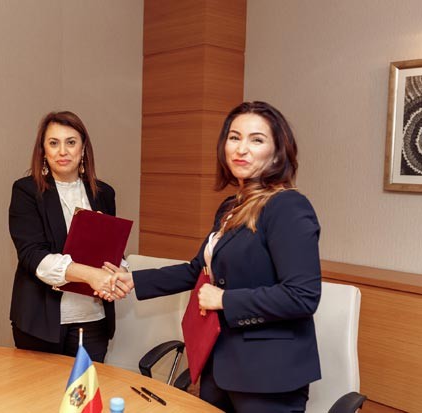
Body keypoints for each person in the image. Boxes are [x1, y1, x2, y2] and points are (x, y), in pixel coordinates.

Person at [113, 101, 321, 412]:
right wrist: (133, 279)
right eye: (234, 137)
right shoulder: (231, 207)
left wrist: (225, 300)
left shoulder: (287, 206)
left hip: (268, 375)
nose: (241, 148)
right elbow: (198, 270)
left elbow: (303, 295)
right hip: (222, 363)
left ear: (278, 153)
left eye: (256, 140)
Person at [9, 111, 122, 362]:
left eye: (71, 142)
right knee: (39, 388)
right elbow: (33, 255)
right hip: (40, 321)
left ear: (83, 149)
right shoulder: (26, 191)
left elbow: (112, 250)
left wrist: (119, 273)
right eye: (54, 143)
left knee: (86, 387)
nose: (63, 151)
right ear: (43, 151)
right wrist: (91, 275)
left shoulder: (104, 193)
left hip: (92, 320)